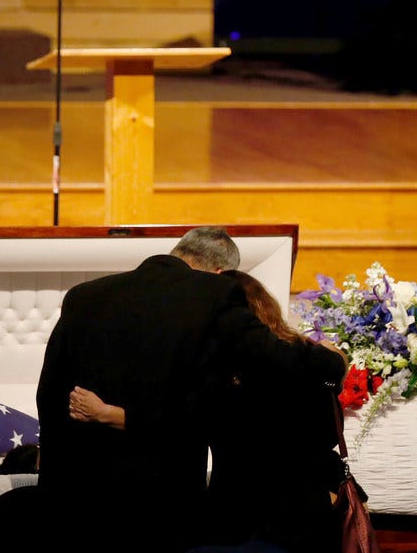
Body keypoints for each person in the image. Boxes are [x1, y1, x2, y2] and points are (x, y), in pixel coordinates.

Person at [34, 226, 348, 552]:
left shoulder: (84, 296)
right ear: (220, 272)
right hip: (163, 501)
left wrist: (54, 485)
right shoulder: (214, 294)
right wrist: (334, 362)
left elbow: (50, 393)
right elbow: (274, 357)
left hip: (80, 494)